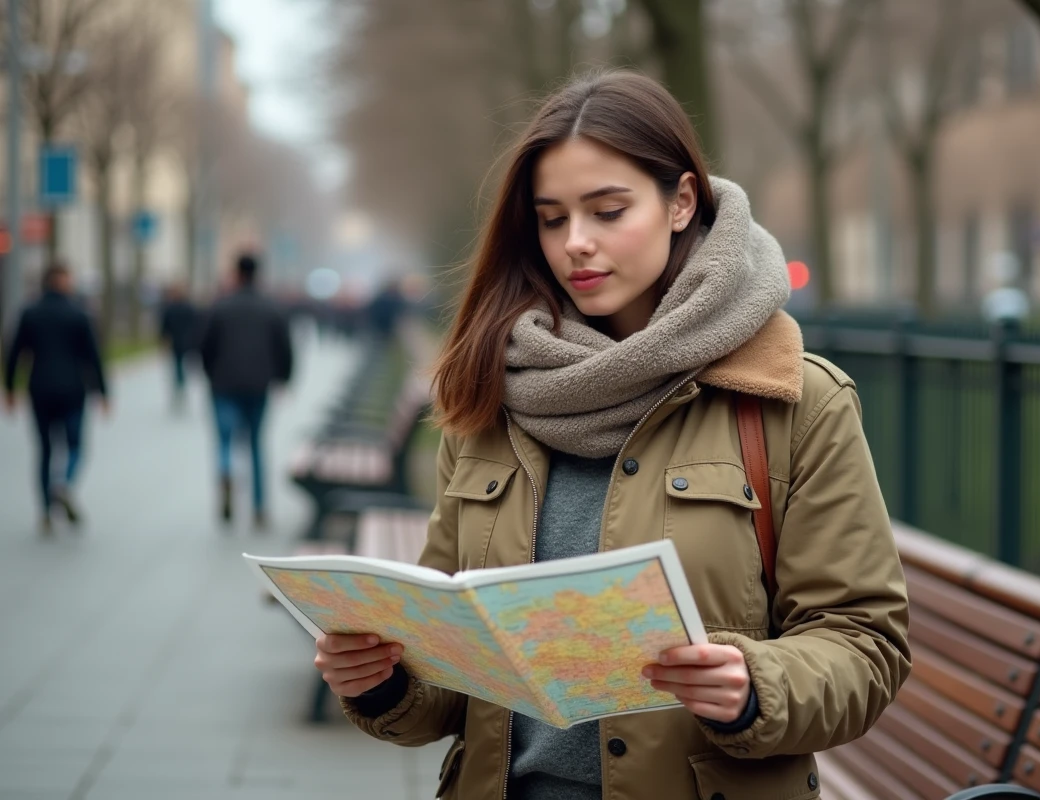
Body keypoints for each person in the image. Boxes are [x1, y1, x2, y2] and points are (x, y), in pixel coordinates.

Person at [313, 71, 910, 799]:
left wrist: (755, 684)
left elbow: (865, 643)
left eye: (607, 210)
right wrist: (383, 680)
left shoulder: (793, 401)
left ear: (681, 202)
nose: (577, 244)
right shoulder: (490, 396)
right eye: (553, 218)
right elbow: (450, 683)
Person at [3, 262, 109, 534]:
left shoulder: (30, 313)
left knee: (45, 450)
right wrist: (103, 392)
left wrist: (10, 388)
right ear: (63, 282)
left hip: (39, 388)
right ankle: (62, 485)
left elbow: (14, 352)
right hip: (73, 389)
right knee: (74, 446)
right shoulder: (79, 314)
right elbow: (93, 357)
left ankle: (46, 513)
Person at [198, 252, 293, 529]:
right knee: (255, 445)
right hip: (258, 385)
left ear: (236, 273)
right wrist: (283, 379)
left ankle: (226, 472)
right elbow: (284, 347)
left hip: (223, 385)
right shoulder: (271, 307)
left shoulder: (220, 306)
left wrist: (211, 375)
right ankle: (260, 507)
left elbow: (204, 347)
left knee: (225, 441)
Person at [158, 281, 200, 412]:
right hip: (186, 343)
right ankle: (181, 387)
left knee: (177, 366)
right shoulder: (189, 308)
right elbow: (196, 326)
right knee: (181, 367)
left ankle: (179, 387)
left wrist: (164, 343)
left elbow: (164, 328)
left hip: (177, 343)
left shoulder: (170, 308)